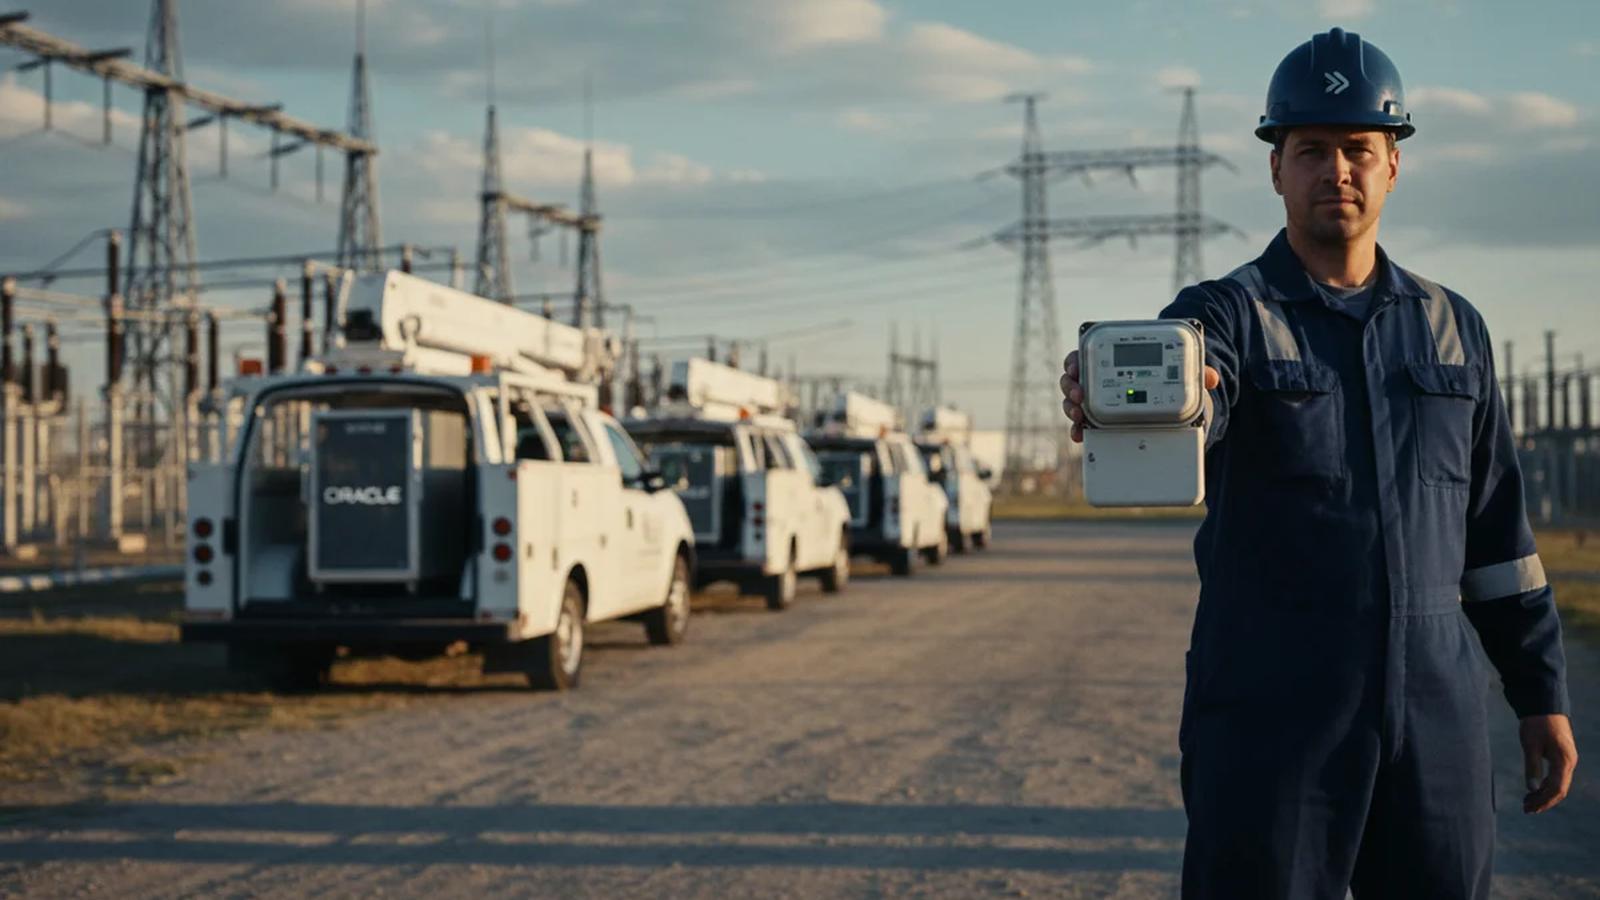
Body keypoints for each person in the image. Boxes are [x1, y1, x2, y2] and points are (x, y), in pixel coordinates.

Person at [1058, 27, 1576, 899]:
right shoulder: (1222, 314)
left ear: (1393, 165)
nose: (1336, 169)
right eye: (1311, 150)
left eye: (1357, 149)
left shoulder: (1456, 328)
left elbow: (1497, 536)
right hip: (1270, 707)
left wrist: (1540, 693)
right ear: (1275, 169)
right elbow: (1194, 383)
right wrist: (1130, 394)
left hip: (1435, 710)